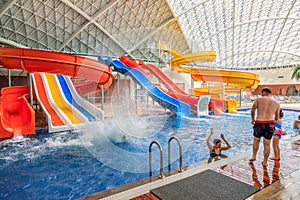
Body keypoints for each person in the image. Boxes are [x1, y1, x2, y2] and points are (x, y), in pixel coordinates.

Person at [250, 87, 280, 167]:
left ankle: (254, 156)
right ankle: (265, 162)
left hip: (259, 122)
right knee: (267, 144)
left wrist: (253, 119)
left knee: (256, 140)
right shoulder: (276, 103)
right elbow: (277, 117)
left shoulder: (258, 99)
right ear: (270, 93)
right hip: (270, 123)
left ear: (263, 92)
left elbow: (253, 110)